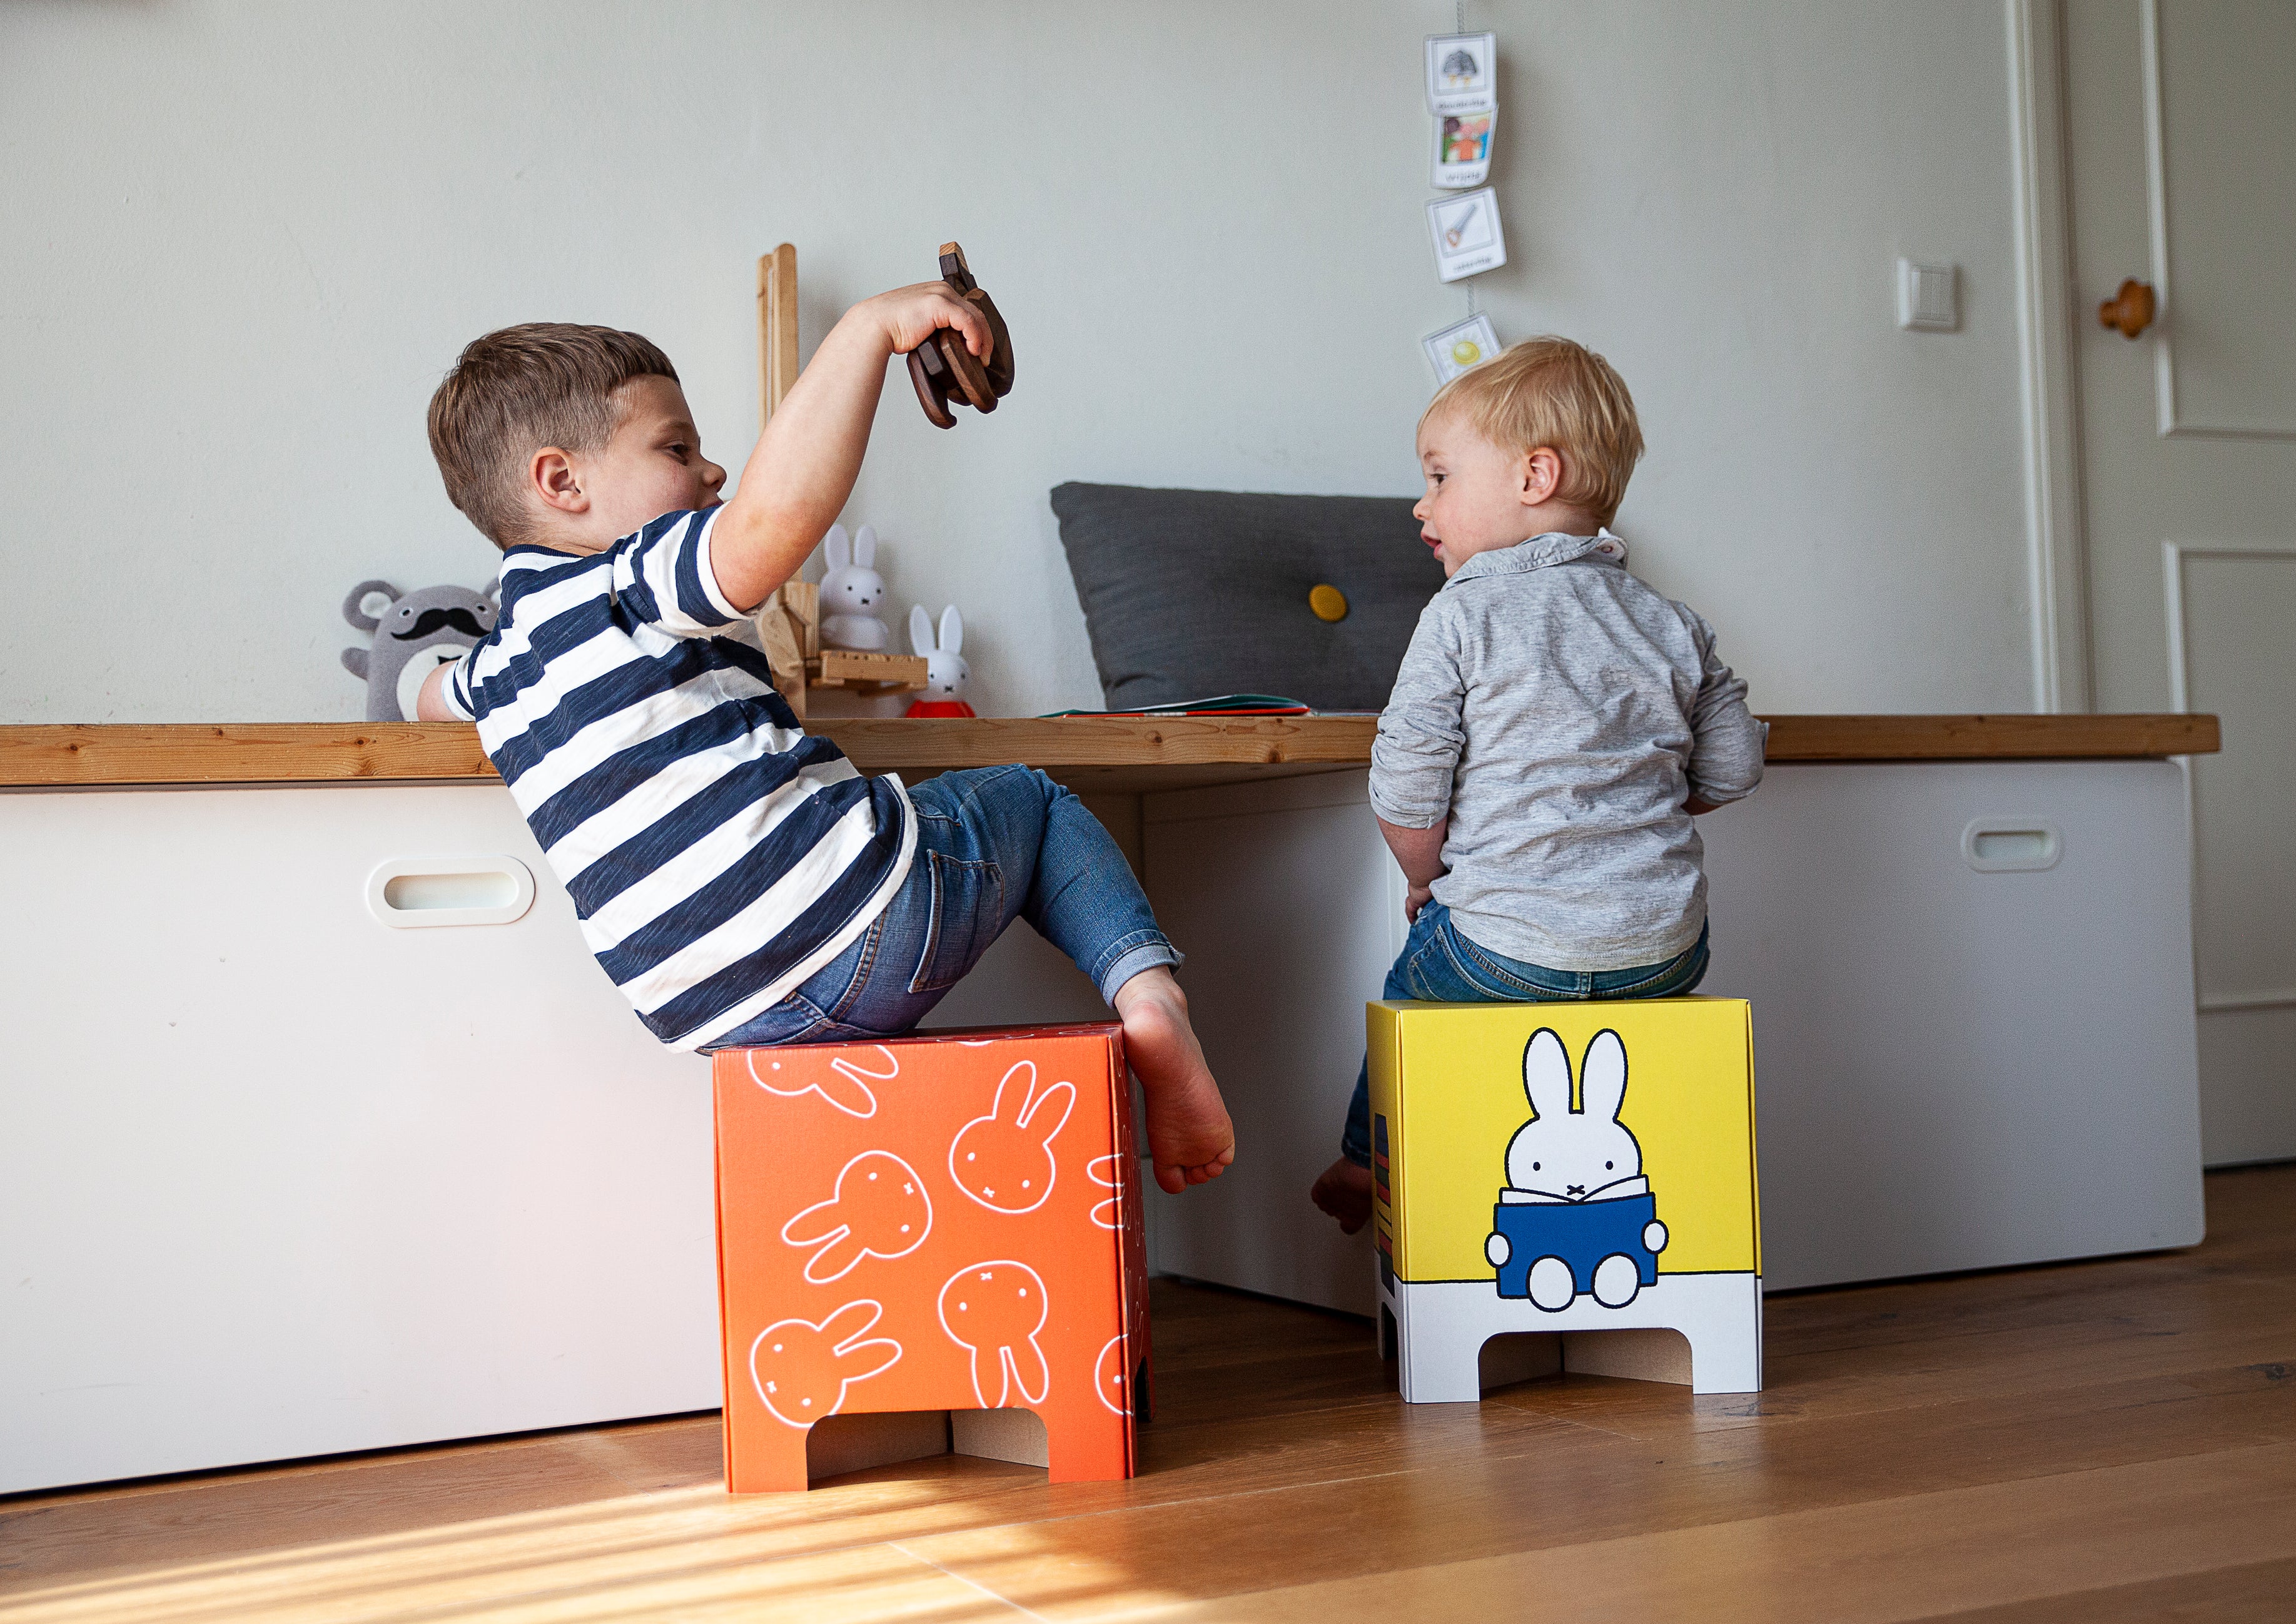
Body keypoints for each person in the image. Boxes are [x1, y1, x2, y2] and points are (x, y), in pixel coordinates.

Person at [417, 293, 1233, 1194]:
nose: (714, 469)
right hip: (857, 920)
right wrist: (866, 335)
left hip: (715, 1013)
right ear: (561, 483)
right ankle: (1149, 997)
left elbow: (423, 692)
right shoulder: (629, 577)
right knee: (1034, 800)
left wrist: (404, 661)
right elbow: (772, 521)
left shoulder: (496, 672)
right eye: (677, 448)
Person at [1310, 338, 1764, 1232]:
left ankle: (1369, 1160)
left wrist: (1419, 877)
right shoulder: (1675, 623)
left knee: (1409, 982)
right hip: (1667, 952)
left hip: (1501, 954)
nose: (1420, 503)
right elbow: (1735, 766)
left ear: (1533, 475)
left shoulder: (1462, 614)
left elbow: (1407, 791)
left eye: (1440, 476)